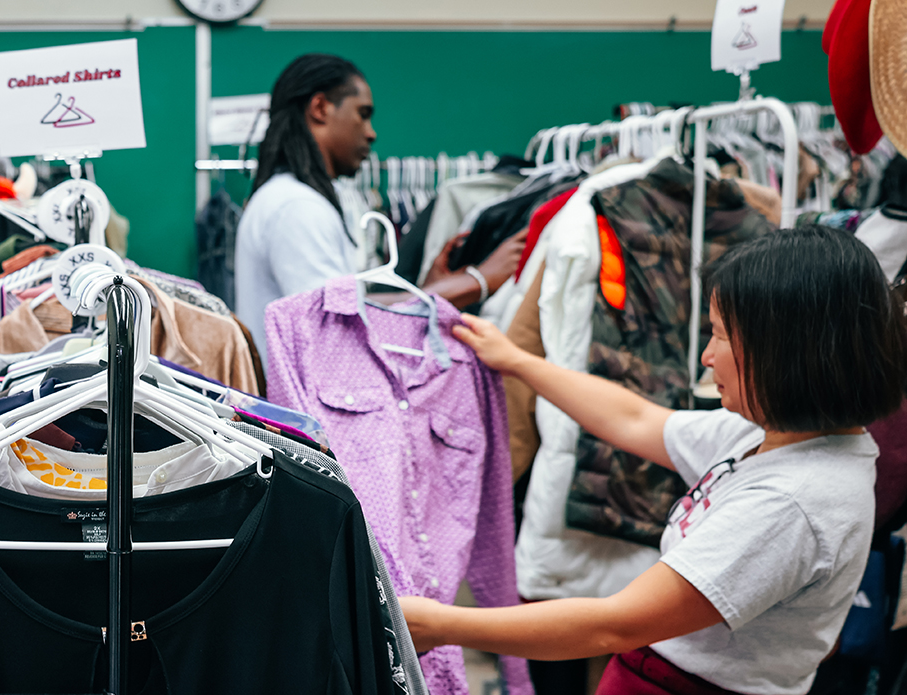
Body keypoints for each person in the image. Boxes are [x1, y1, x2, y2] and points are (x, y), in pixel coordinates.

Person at [400, 225, 907, 695]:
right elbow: (637, 421)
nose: (707, 357)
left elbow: (611, 625)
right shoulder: (776, 434)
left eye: (721, 335)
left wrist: (434, 624)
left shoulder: (793, 503)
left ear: (786, 351)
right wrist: (518, 361)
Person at [235, 53, 527, 368]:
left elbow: (348, 307)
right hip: (296, 411)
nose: (371, 133)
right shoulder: (298, 207)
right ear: (320, 108)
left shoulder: (289, 198)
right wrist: (475, 281)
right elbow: (337, 329)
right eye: (362, 114)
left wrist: (430, 291)